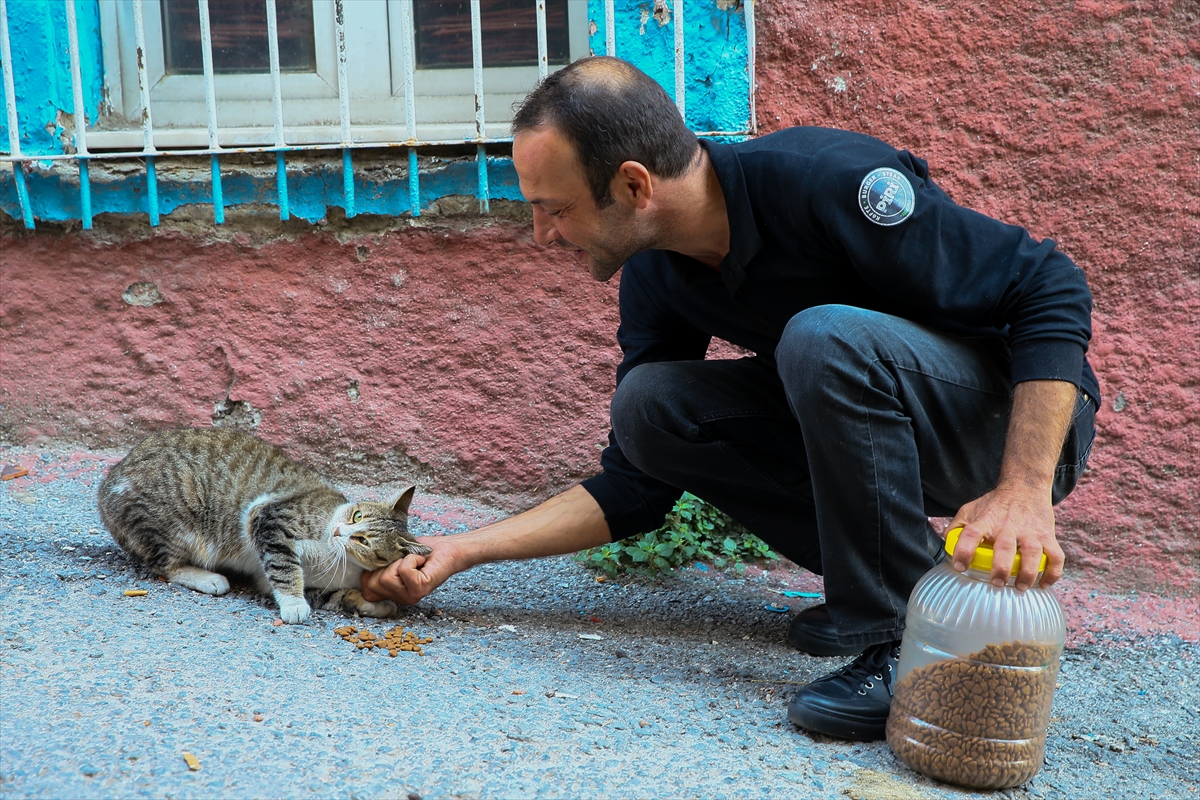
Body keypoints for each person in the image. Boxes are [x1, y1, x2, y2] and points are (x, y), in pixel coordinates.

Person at [362, 56, 1098, 741]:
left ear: (632, 187)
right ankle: (895, 594)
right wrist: (462, 550)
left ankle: (903, 647)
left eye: (551, 208)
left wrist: (1024, 488)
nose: (540, 233)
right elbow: (636, 483)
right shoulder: (660, 273)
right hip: (895, 410)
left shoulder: (827, 183)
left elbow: (1050, 287)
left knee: (823, 339)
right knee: (652, 406)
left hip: (1006, 425)